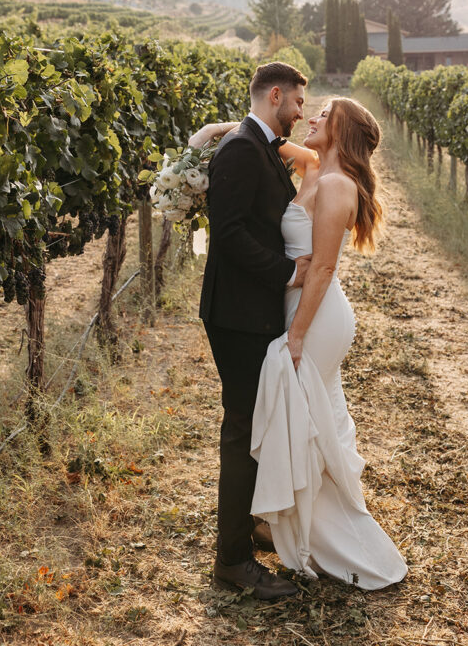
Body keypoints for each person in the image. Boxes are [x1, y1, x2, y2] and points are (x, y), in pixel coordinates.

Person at [193, 90, 407, 593]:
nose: (312, 116)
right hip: (296, 305)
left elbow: (325, 266)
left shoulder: (336, 186)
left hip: (316, 314)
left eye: (325, 114)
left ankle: (326, 534)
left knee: (305, 418)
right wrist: (209, 133)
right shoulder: (314, 165)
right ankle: (284, 520)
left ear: (343, 132)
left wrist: (296, 334)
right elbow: (256, 134)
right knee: (310, 415)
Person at [192, 61, 311, 601]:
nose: (301, 111)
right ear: (277, 95)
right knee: (241, 430)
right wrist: (288, 273)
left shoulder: (257, 142)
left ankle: (248, 528)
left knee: (252, 423)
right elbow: (230, 233)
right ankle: (232, 561)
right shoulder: (242, 149)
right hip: (237, 313)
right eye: (299, 103)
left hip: (250, 310)